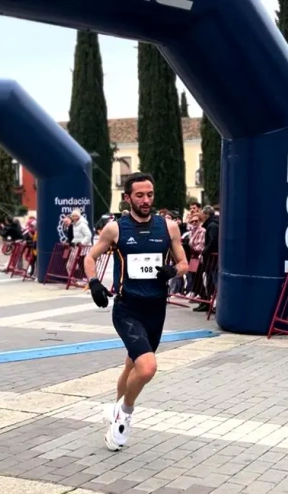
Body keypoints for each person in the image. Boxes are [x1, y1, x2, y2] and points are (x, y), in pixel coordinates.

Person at [82, 173, 188, 451]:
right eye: (139, 195)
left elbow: (184, 263)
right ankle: (124, 414)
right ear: (127, 198)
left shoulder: (168, 227)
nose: (146, 200)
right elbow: (90, 257)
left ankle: (115, 406)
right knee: (147, 367)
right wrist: (94, 283)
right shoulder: (116, 229)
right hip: (128, 308)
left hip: (156, 309)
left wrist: (173, 270)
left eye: (150, 194)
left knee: (132, 365)